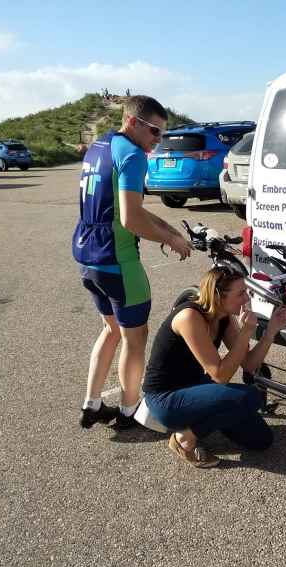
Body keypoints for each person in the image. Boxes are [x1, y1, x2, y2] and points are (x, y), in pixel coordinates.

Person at [72, 95, 192, 430]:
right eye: (155, 132)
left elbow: (127, 207)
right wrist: (170, 240)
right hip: (117, 259)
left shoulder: (101, 146)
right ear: (133, 122)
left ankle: (92, 403)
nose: (158, 140)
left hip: (87, 253)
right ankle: (128, 412)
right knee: (135, 337)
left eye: (163, 134)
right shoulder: (135, 155)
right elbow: (131, 219)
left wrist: (169, 228)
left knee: (110, 329)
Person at [141, 266, 286, 467]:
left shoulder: (224, 316)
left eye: (246, 292)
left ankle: (205, 418)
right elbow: (220, 375)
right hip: (165, 398)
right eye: (240, 294)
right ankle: (184, 439)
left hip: (196, 386)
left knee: (262, 441)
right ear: (218, 296)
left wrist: (271, 331)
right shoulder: (189, 317)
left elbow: (248, 364)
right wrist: (246, 332)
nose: (246, 299)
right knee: (250, 396)